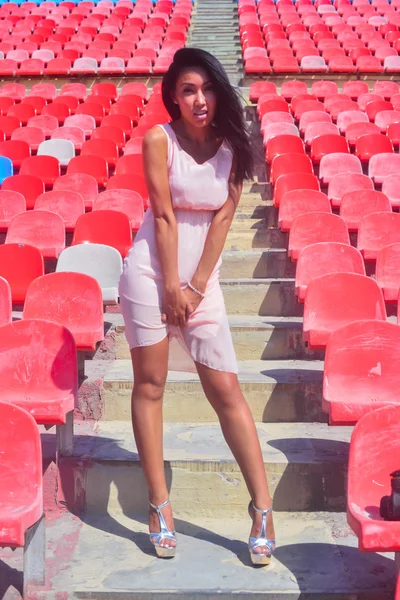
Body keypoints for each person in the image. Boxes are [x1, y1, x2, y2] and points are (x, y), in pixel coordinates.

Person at [119, 47, 275, 566]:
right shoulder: (157, 141)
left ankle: (262, 508)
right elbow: (163, 216)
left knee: (226, 388)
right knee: (151, 385)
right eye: (188, 90)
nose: (199, 99)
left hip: (200, 283)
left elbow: (223, 222)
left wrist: (194, 287)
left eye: (207, 88)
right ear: (174, 96)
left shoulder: (234, 147)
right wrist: (169, 286)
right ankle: (159, 505)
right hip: (150, 274)